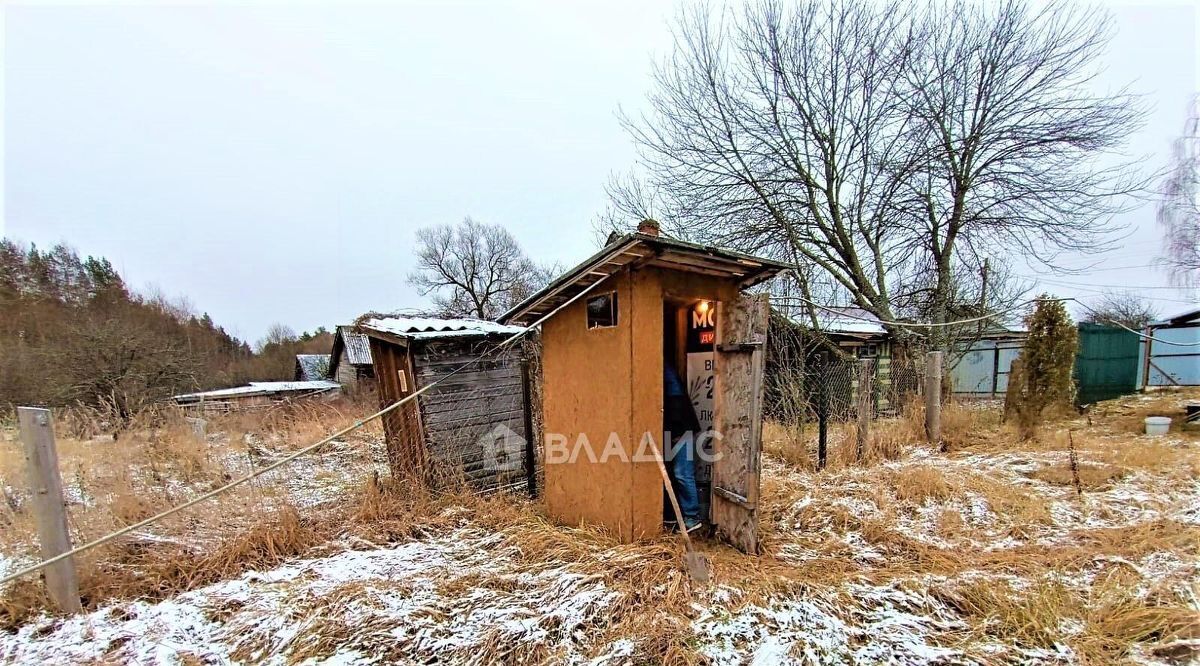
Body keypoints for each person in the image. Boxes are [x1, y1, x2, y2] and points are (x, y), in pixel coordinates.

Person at [663, 363, 702, 532]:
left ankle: (692, 517)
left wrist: (677, 431)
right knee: (675, 473)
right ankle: (674, 516)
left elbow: (676, 402)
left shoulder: (666, 374)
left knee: (682, 473)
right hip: (675, 430)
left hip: (681, 429)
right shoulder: (665, 373)